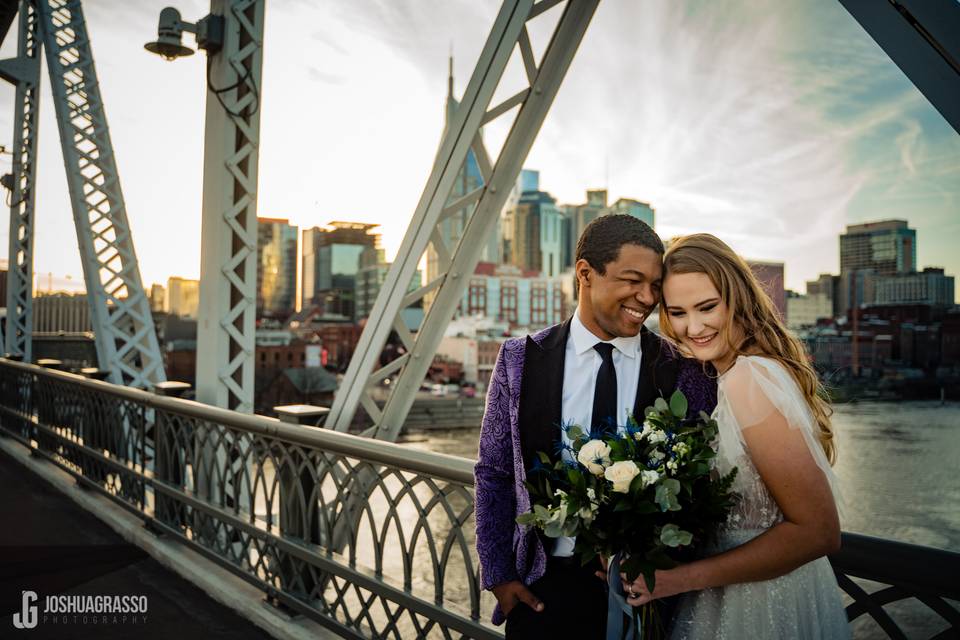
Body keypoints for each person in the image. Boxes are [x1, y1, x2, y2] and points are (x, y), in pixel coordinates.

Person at [474, 215, 717, 639]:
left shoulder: (684, 370)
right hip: (541, 591)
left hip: (649, 597)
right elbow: (493, 473)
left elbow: (702, 481)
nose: (646, 297)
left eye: (655, 285)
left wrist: (666, 573)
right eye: (632, 280)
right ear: (585, 273)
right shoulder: (519, 360)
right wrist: (498, 573)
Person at [620, 233, 849, 639]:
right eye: (678, 312)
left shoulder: (749, 378)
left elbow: (819, 531)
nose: (694, 327)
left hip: (764, 604)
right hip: (732, 595)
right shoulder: (731, 374)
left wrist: (680, 579)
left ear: (737, 297)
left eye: (707, 307)